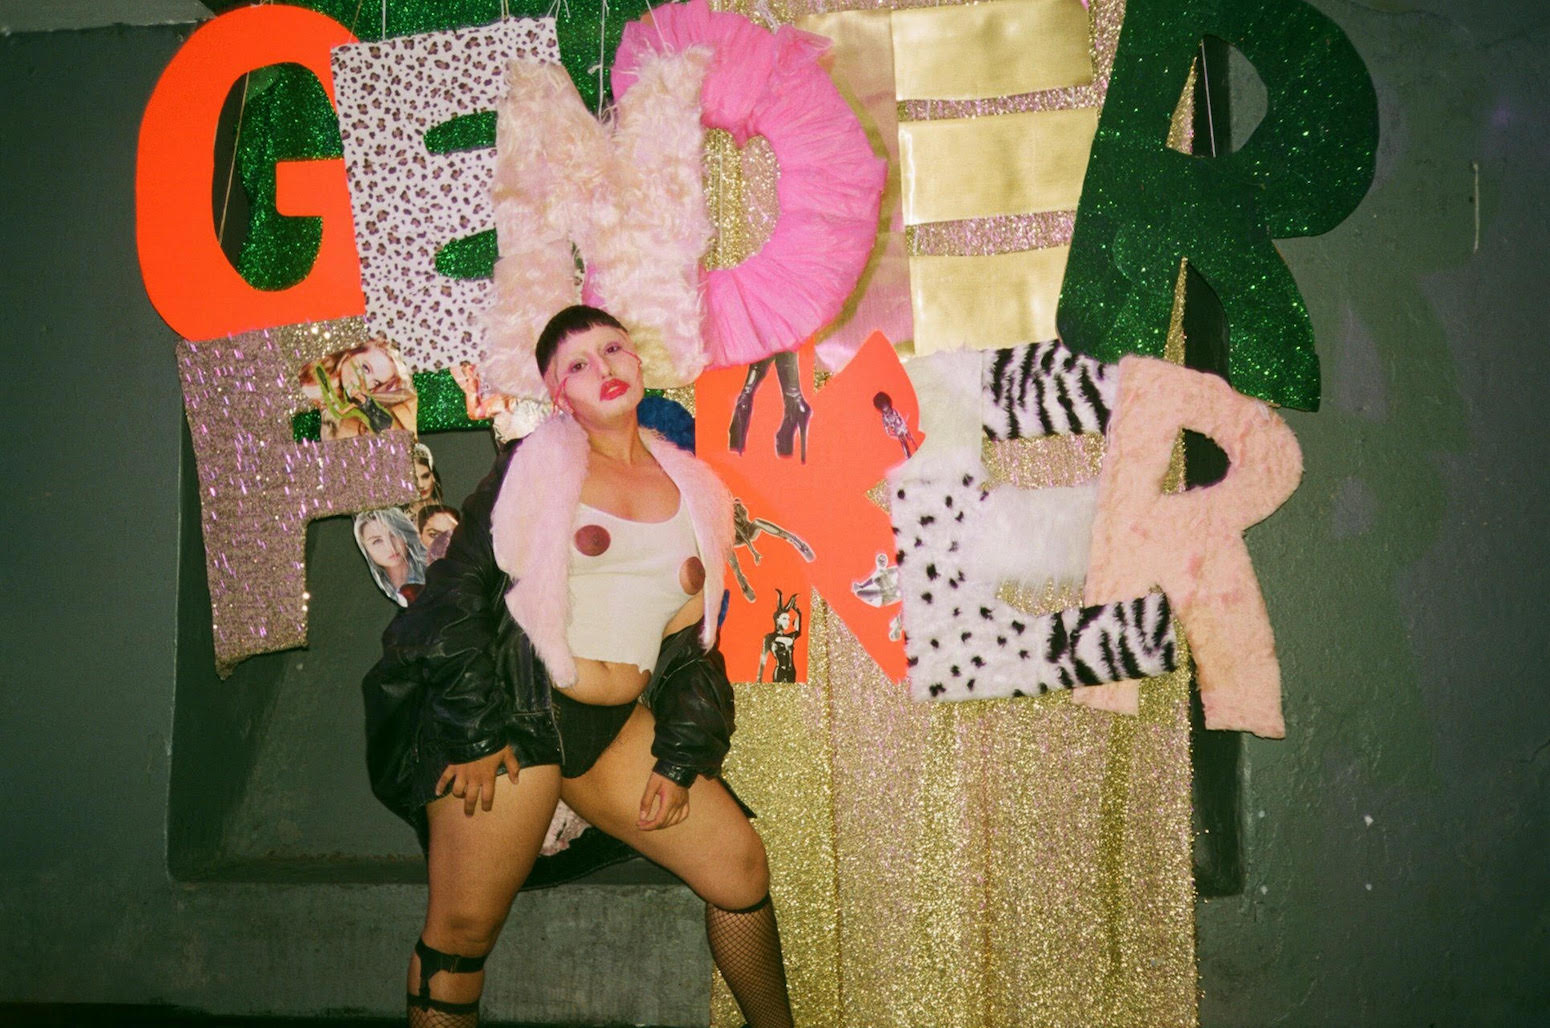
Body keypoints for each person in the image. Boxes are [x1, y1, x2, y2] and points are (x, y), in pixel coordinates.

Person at [362, 306, 795, 1028]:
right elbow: (452, 598)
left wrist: (679, 758)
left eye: (613, 348)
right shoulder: (533, 467)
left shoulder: (695, 488)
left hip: (609, 726)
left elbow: (692, 649)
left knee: (740, 868)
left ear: (638, 360)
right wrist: (474, 731)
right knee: (461, 938)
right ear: (557, 392)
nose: (605, 368)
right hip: (509, 713)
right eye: (578, 364)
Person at [355, 507, 428, 607]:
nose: (390, 546)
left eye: (394, 534)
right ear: (365, 549)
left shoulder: (432, 572)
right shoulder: (369, 593)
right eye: (377, 541)